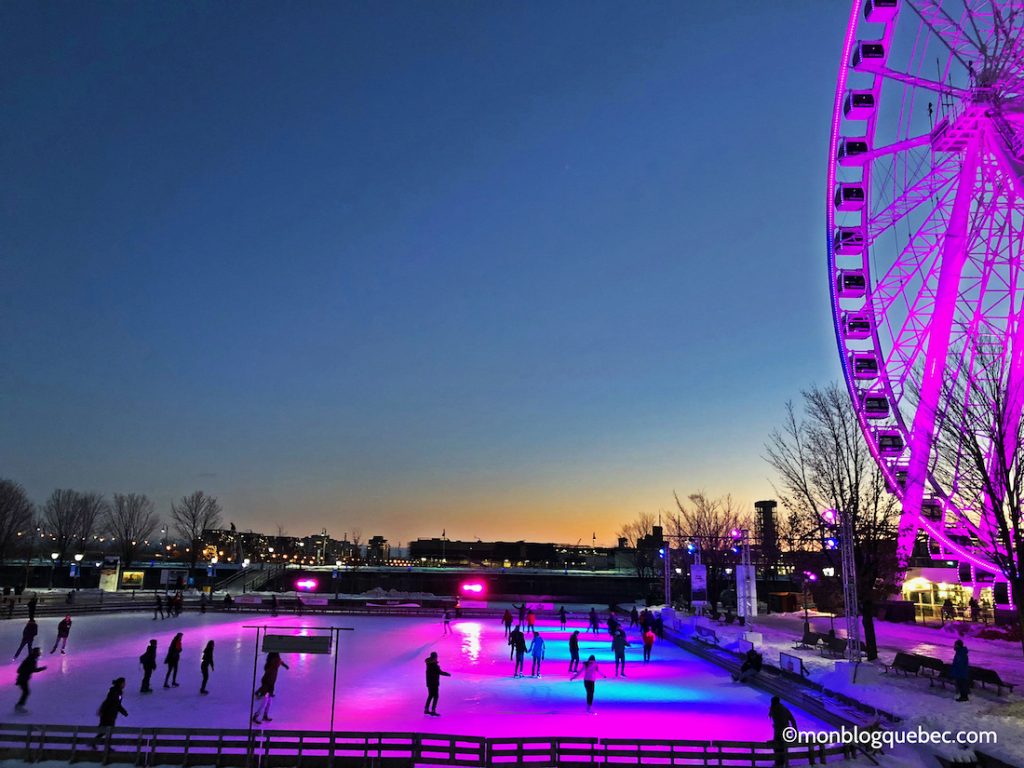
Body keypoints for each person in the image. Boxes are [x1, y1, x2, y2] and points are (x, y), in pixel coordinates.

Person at [253, 652, 289, 724]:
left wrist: (285, 665)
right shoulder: (273, 662)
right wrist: (261, 691)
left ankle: (265, 715)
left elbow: (280, 662)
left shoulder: (274, 660)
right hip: (268, 683)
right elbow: (267, 676)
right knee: (265, 701)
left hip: (271, 683)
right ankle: (256, 716)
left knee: (269, 701)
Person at [91, 678, 128, 749]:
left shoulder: (117, 691)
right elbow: (110, 702)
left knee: (107, 730)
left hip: (110, 714)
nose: (125, 685)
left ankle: (97, 743)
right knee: (108, 730)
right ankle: (102, 745)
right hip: (108, 714)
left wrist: (123, 711)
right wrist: (102, 711)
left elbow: (116, 704)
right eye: (124, 683)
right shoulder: (115, 692)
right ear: (120, 683)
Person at [769, 696, 797, 767]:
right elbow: (792, 720)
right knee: (780, 747)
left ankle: (780, 763)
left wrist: (795, 732)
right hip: (781, 731)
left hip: (781, 731)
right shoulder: (778, 708)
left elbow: (791, 719)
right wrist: (795, 732)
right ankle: (780, 763)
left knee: (779, 747)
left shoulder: (777, 709)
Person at [423, 651, 451, 716]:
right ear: (435, 657)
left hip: (429, 683)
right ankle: (433, 710)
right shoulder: (434, 665)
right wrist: (447, 674)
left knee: (430, 696)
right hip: (434, 683)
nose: (437, 658)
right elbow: (440, 672)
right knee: (436, 696)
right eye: (436, 657)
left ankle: (426, 709)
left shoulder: (428, 664)